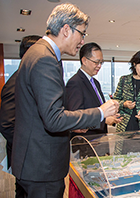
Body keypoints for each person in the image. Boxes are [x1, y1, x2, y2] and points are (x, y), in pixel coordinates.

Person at [12, 3, 119, 198]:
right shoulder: (45, 58)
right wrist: (101, 112)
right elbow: (53, 119)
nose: (82, 41)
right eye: (82, 33)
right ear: (66, 29)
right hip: (42, 165)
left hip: (33, 161)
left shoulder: (38, 52)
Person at [0, 35, 41, 197]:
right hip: (26, 159)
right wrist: (29, 148)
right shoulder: (16, 81)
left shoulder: (28, 78)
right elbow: (6, 124)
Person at [65, 42, 121, 138]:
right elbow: (77, 117)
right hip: (85, 140)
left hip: (99, 139)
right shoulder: (75, 82)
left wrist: (108, 116)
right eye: (96, 62)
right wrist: (104, 120)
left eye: (101, 62)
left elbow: (99, 109)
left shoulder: (95, 82)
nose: (99, 66)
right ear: (84, 61)